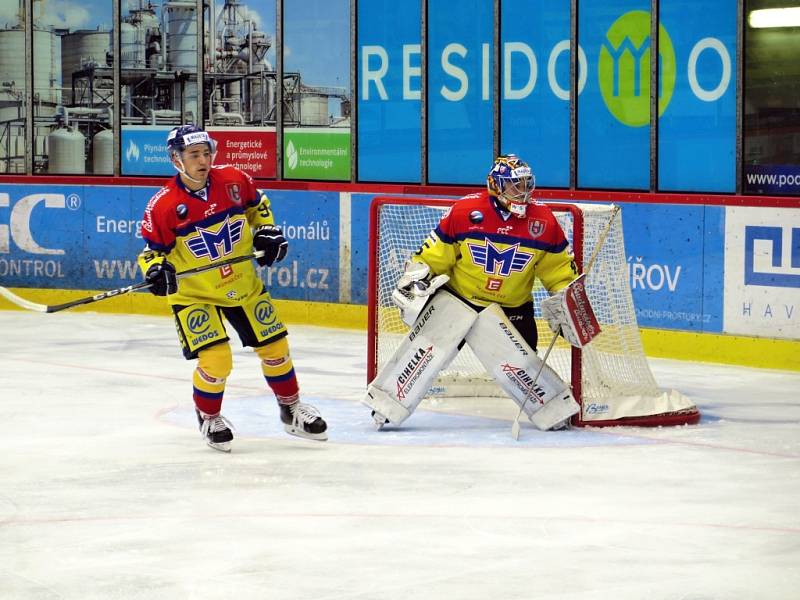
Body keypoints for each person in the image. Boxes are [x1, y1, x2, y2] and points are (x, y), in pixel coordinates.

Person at [363, 154, 591, 431]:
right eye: (513, 185)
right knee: (425, 351)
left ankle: (553, 411)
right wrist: (417, 278)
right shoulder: (464, 211)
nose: (522, 192)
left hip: (512, 307)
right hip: (460, 299)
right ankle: (387, 405)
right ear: (495, 185)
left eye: (525, 184)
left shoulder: (543, 222)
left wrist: (566, 297)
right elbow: (434, 256)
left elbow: (557, 270)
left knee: (521, 364)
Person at [137, 124, 327, 452]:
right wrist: (155, 271)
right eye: (194, 154)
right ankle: (209, 416)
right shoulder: (164, 205)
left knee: (276, 348)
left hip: (243, 286)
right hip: (194, 293)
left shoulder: (234, 180)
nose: (203, 160)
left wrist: (267, 231)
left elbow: (257, 208)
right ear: (176, 159)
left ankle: (291, 409)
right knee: (217, 360)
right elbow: (152, 253)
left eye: (206, 152)